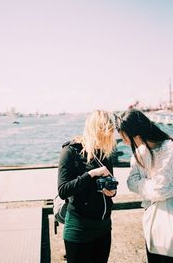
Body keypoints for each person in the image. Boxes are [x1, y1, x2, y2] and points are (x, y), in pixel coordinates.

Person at [57, 110, 117, 263]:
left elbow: (110, 182)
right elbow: (63, 190)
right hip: (79, 228)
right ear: (95, 129)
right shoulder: (70, 151)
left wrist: (112, 190)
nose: (107, 139)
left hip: (104, 227)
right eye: (104, 134)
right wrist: (91, 174)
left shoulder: (105, 153)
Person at [115, 108, 173, 263]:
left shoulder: (169, 148)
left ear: (137, 135)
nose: (125, 142)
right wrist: (154, 186)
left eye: (124, 137)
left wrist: (146, 185)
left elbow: (163, 189)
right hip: (153, 221)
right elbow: (130, 182)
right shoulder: (139, 154)